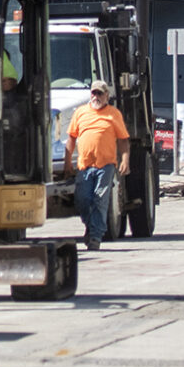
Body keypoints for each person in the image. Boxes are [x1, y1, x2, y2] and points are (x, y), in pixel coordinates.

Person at [64, 80, 130, 251]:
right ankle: (92, 226)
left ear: (107, 95)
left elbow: (123, 140)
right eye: (94, 93)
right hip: (85, 166)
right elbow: (71, 138)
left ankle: (95, 236)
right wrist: (67, 162)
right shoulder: (80, 113)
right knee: (83, 200)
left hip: (106, 165)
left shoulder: (113, 114)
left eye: (100, 93)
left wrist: (125, 160)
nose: (96, 96)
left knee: (100, 199)